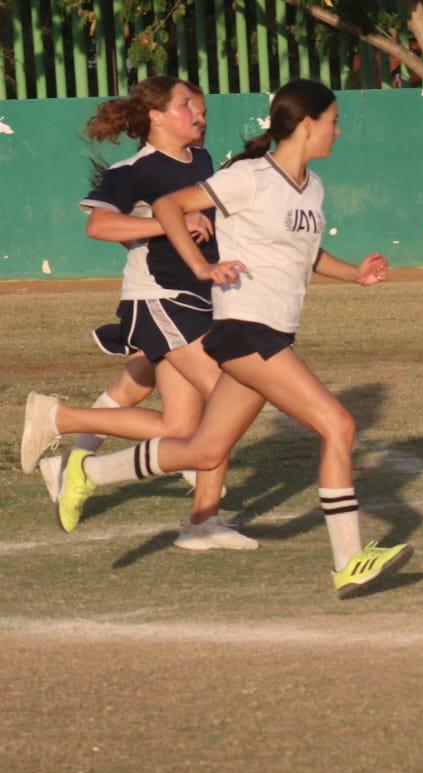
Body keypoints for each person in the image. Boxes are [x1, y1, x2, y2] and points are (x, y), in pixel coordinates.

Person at [44, 78, 413, 598]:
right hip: (245, 329)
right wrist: (201, 265)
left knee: (204, 447)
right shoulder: (248, 176)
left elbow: (304, 254)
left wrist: (356, 274)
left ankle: (90, 474)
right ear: (306, 125)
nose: (338, 130)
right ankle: (348, 560)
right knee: (338, 425)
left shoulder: (314, 187)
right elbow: (170, 208)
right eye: (332, 120)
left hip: (273, 328)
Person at [20, 76, 251, 550]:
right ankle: (205, 519)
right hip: (159, 298)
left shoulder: (201, 161)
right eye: (187, 105)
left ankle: (60, 419)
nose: (200, 114)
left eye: (201, 107)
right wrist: (166, 223)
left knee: (182, 428)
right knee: (227, 392)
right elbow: (98, 225)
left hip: (197, 298)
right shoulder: (135, 171)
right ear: (156, 117)